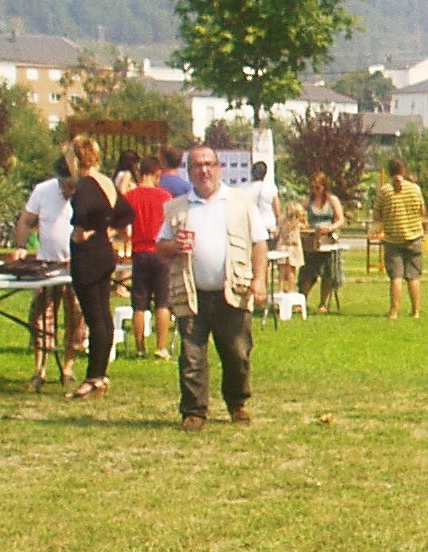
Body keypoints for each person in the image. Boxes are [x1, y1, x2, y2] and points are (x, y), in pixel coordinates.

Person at [158, 144, 272, 431]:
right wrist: (173, 246)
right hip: (192, 293)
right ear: (189, 172)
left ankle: (237, 403)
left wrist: (259, 279)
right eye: (197, 165)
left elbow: (259, 243)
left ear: (218, 168)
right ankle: (194, 411)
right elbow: (160, 246)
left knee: (237, 354)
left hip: (232, 292)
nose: (204, 170)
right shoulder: (177, 207)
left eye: (209, 164)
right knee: (192, 356)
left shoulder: (240, 203)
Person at [63, 135, 129, 400]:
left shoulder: (85, 185)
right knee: (103, 314)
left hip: (88, 257)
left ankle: (93, 378)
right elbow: (126, 213)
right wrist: (106, 229)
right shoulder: (106, 182)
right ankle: (100, 375)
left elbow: (81, 218)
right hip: (105, 252)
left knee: (94, 318)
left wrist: (81, 234)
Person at [17, 159, 81, 390]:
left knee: (76, 316)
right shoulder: (43, 191)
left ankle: (68, 367)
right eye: (65, 185)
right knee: (41, 316)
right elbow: (26, 220)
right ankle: (40, 368)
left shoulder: (87, 192)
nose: (68, 190)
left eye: (72, 186)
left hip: (75, 265)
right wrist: (21, 246)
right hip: (46, 264)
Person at [122, 160, 173, 359]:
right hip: (160, 251)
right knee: (162, 302)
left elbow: (122, 224)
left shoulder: (131, 196)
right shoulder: (165, 196)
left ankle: (140, 347)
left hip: (140, 251)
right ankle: (161, 347)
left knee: (139, 303)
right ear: (157, 172)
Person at [373, 158, 428, 319]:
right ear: (404, 170)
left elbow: (377, 215)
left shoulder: (385, 191)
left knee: (396, 277)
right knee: (413, 276)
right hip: (414, 237)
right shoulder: (415, 189)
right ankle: (415, 311)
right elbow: (422, 211)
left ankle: (394, 311)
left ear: (389, 171)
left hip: (393, 239)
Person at [303, 172, 346, 313]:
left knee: (328, 272)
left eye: (318, 187)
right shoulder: (307, 202)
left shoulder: (332, 200)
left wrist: (330, 228)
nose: (315, 190)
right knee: (308, 271)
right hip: (312, 240)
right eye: (312, 187)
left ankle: (323, 303)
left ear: (324, 186)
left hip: (328, 239)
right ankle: (302, 300)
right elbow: (302, 219)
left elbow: (340, 219)